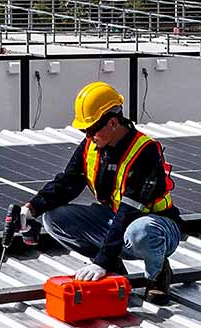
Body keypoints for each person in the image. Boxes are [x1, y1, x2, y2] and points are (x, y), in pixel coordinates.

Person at [12, 82, 183, 303]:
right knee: (53, 219)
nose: (88, 135)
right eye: (85, 130)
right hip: (116, 219)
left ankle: (158, 273)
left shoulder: (144, 152)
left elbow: (129, 211)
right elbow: (67, 183)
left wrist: (100, 261)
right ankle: (114, 265)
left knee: (140, 233)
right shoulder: (91, 146)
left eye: (91, 130)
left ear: (113, 122)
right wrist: (31, 208)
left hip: (157, 226)